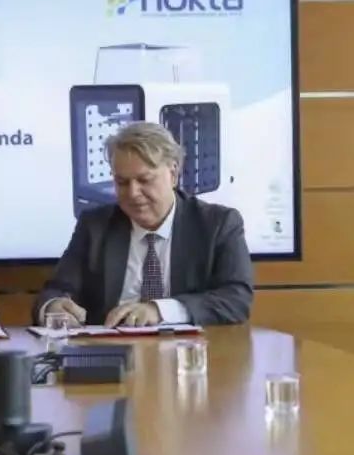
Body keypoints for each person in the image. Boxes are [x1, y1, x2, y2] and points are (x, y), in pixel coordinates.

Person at [34, 121, 253, 327]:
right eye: (122, 182)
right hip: (111, 348)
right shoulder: (95, 226)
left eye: (145, 180)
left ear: (173, 174)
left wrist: (159, 310)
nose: (133, 193)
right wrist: (54, 307)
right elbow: (57, 290)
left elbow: (236, 299)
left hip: (188, 349)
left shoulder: (218, 224)